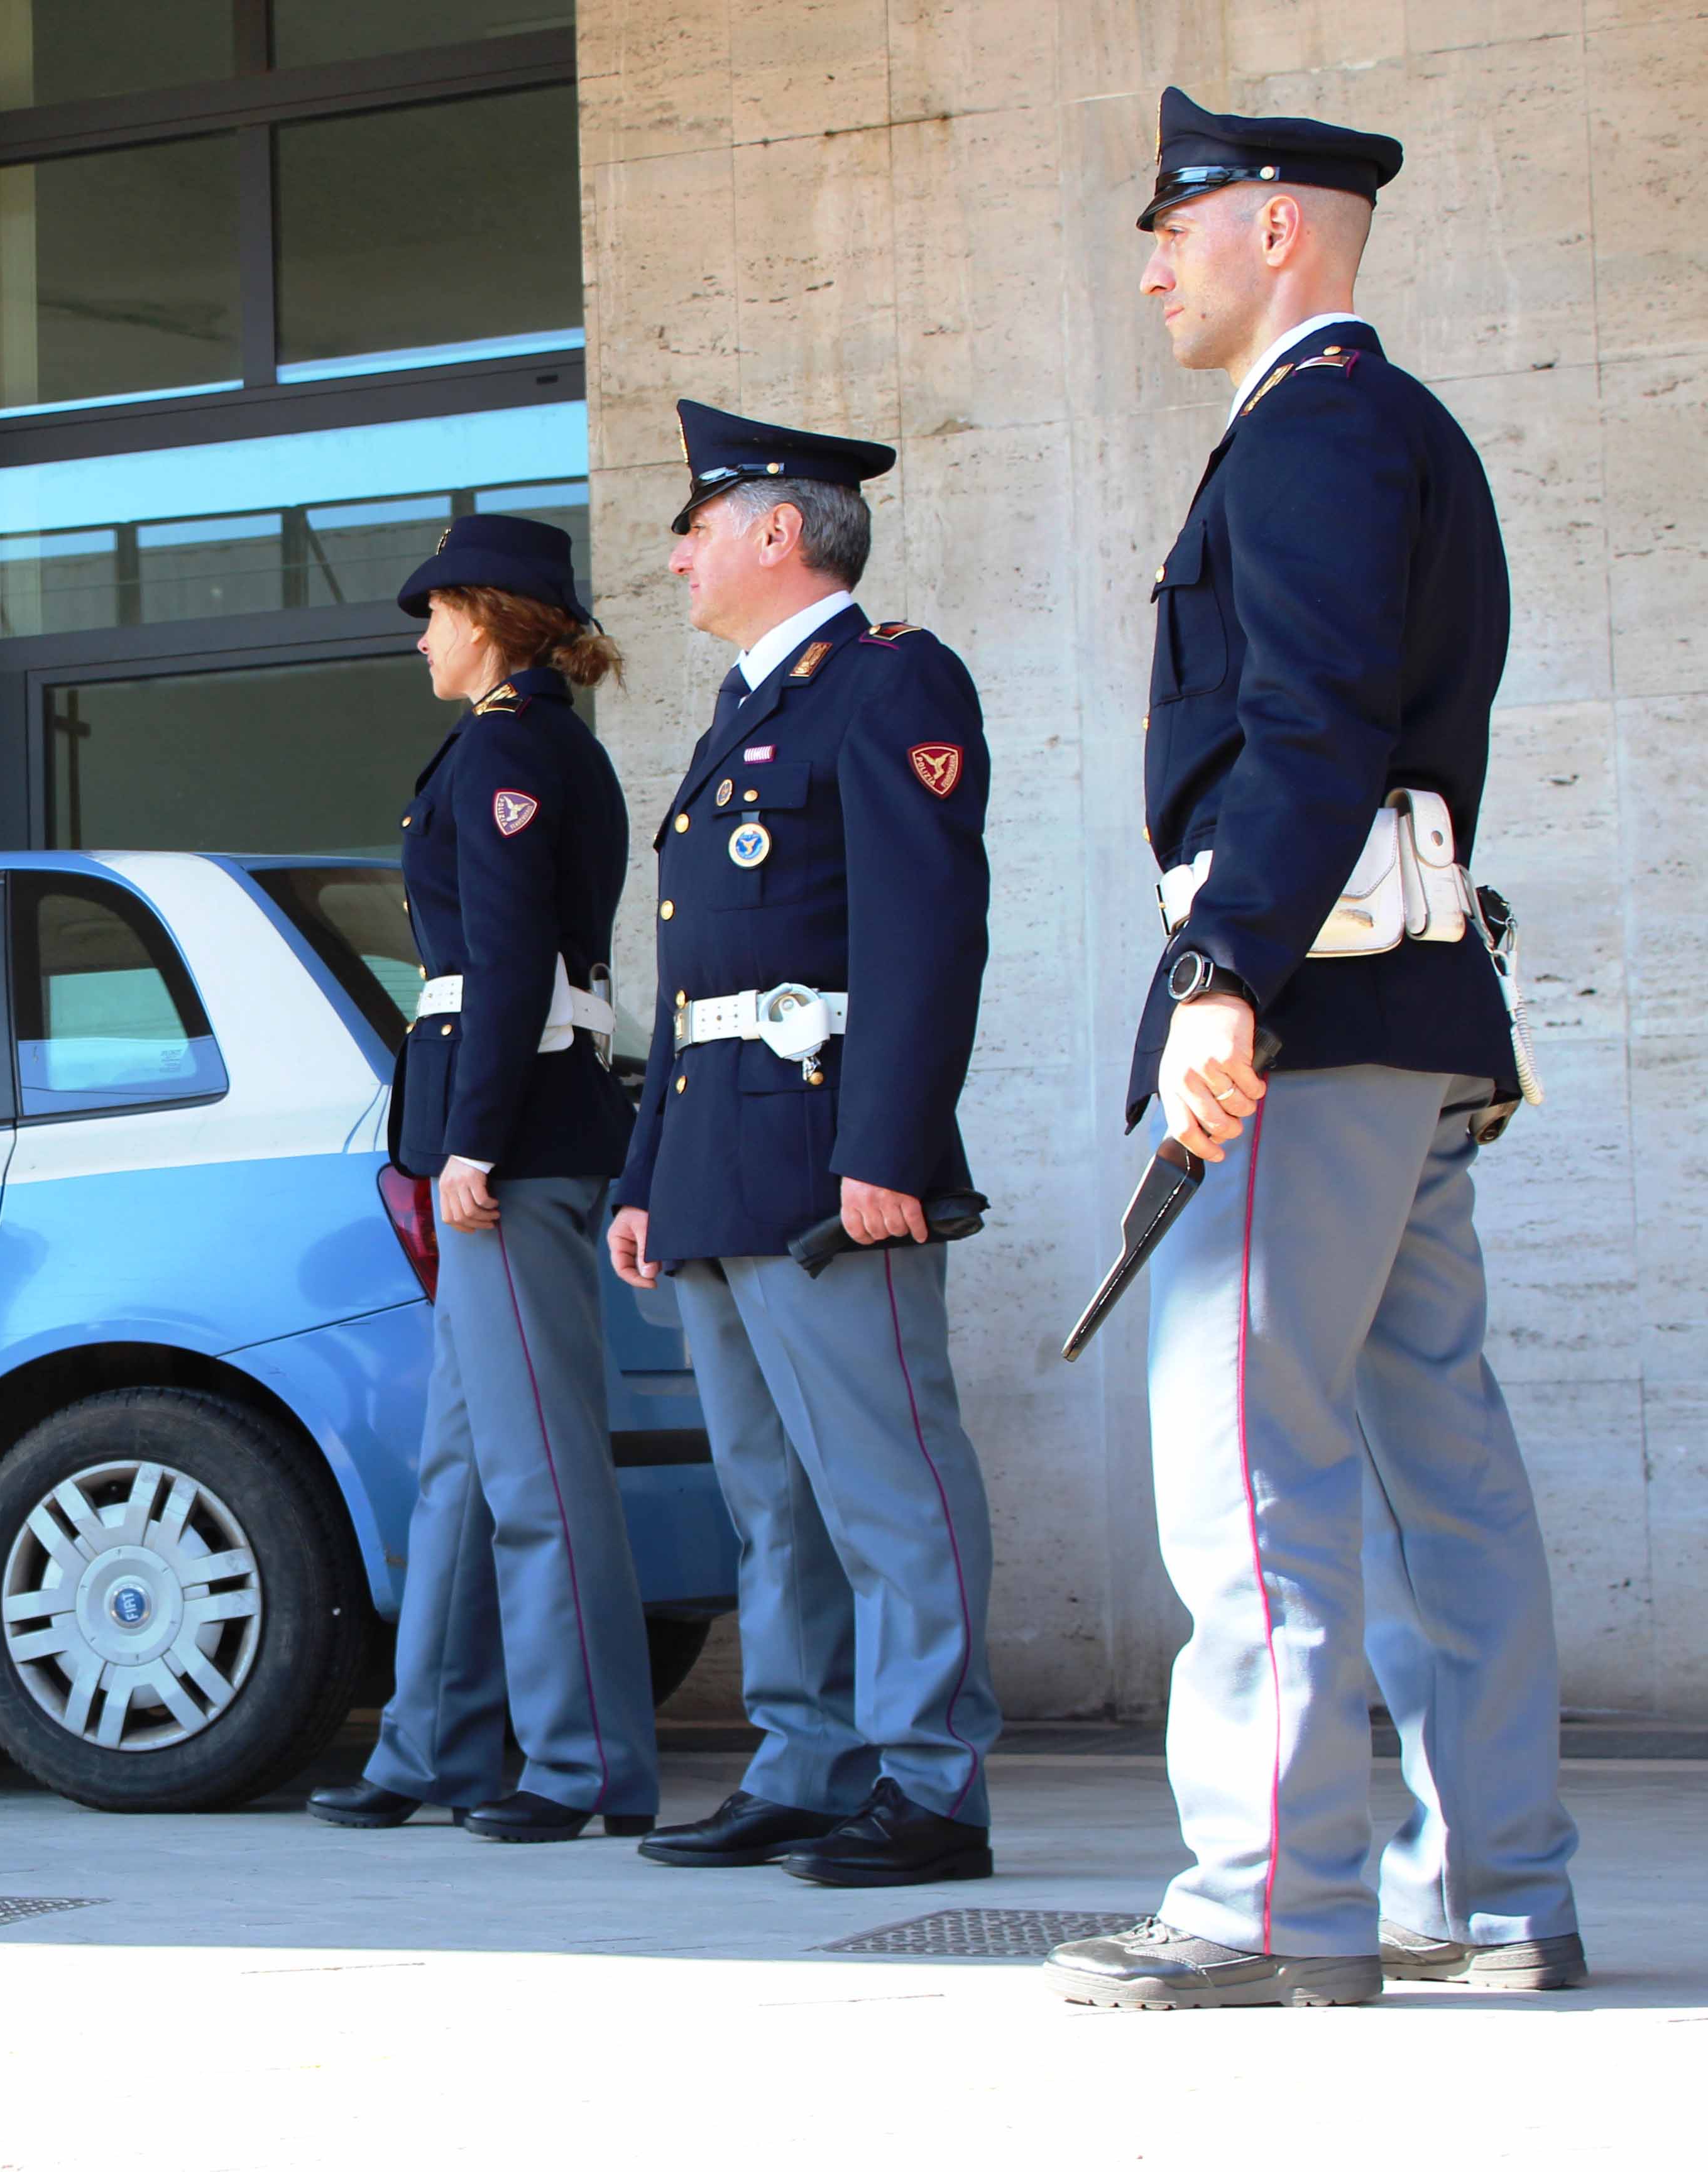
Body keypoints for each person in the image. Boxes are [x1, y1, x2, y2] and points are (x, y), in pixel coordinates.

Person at [1045, 90, 1582, 2010]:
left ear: (1280, 229)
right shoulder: (1396, 430)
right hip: (1407, 1014)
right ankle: (1496, 1885)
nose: (1152, 263)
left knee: (1252, 1471)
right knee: (1446, 1465)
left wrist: (1222, 976)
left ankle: (1276, 1897)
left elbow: (1315, 725)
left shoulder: (1317, 427)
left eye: (1175, 226)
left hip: (1311, 1017)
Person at [607, 403, 1003, 1888]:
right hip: (720, 1165)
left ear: (780, 531)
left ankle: (931, 1779)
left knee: (888, 1482)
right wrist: (647, 1180)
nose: (674, 559)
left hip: (835, 1160)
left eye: (695, 527)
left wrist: (889, 1146)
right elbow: (689, 976)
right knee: (771, 1496)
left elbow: (924, 937)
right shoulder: (743, 708)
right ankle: (808, 1758)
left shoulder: (888, 682)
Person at [306, 513, 663, 1843]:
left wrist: (475, 1140)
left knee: (537, 1473)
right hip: (502, 1129)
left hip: (511, 1145)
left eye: (435, 616)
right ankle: (433, 1746)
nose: (422, 640)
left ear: (491, 618)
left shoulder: (515, 749)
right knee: (460, 1471)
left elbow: (511, 961)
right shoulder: (515, 741)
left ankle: (589, 1765)